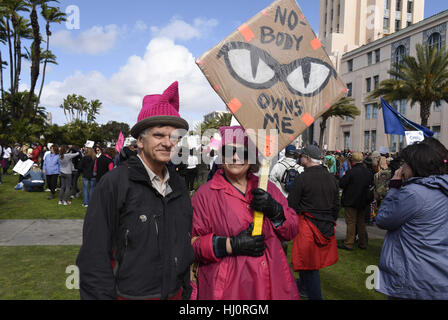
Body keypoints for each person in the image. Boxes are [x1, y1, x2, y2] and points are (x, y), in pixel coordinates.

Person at [76, 81, 194, 300]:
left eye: (174, 137)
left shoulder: (178, 185)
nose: (168, 143)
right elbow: (94, 257)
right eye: (159, 135)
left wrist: (185, 291)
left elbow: (183, 246)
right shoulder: (114, 183)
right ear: (140, 140)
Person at [191, 126, 300, 300]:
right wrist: (230, 244)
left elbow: (292, 230)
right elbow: (191, 245)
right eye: (229, 151)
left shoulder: (268, 188)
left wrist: (276, 212)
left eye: (242, 151)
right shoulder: (205, 195)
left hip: (273, 284)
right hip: (231, 290)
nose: (235, 157)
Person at [376, 143, 448, 300]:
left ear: (415, 166)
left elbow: (383, 219)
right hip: (439, 271)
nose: (402, 168)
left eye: (405, 164)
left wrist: (395, 187)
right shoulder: (443, 188)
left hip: (414, 273)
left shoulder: (414, 193)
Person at [288, 145, 340, 300]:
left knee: (309, 265)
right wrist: (331, 220)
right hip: (325, 224)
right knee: (307, 263)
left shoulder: (303, 178)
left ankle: (314, 295)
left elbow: (292, 205)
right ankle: (303, 287)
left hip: (308, 226)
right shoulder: (331, 178)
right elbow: (336, 205)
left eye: (301, 156)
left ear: (308, 158)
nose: (300, 158)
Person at [338, 152, 374, 251]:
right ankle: (362, 243)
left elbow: (342, 184)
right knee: (361, 222)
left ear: (352, 160)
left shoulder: (351, 172)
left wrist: (344, 176)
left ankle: (349, 243)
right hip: (363, 200)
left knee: (351, 222)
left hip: (351, 200)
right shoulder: (368, 172)